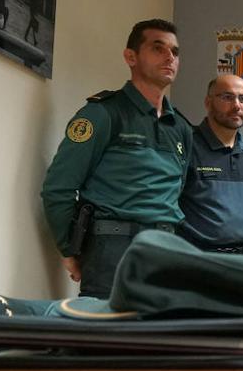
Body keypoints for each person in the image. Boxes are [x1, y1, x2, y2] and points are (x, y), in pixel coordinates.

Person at [40, 19, 193, 298]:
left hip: (167, 249)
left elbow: (177, 190)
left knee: (162, 327)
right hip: (113, 249)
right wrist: (69, 249)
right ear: (130, 57)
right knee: (107, 326)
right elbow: (58, 187)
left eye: (175, 51)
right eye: (158, 48)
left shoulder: (181, 127)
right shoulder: (102, 114)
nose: (169, 57)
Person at [179, 74, 243, 253]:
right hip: (197, 257)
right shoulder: (188, 145)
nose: (237, 105)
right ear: (208, 102)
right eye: (227, 97)